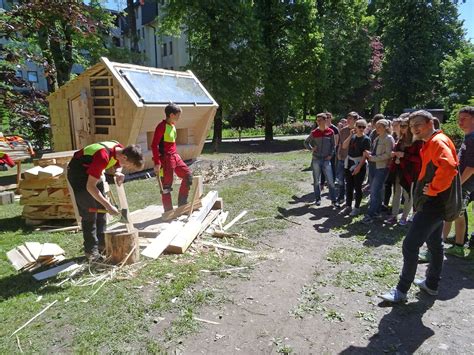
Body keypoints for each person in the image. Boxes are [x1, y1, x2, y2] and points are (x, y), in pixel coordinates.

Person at [380, 110, 458, 303]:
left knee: (410, 245)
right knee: (435, 245)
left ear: (431, 123)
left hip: (433, 204)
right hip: (436, 204)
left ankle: (401, 291)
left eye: (418, 124)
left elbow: (448, 167)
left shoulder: (437, 142)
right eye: (412, 125)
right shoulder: (433, 141)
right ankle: (432, 284)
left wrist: (433, 188)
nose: (414, 128)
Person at [67, 141, 144, 260]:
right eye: (129, 165)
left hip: (93, 172)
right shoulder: (102, 156)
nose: (127, 168)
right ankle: (91, 251)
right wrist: (109, 205)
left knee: (101, 207)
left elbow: (119, 163)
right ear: (125, 157)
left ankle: (102, 244)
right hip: (79, 174)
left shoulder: (120, 149)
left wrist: (118, 172)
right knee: (89, 212)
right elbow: (90, 187)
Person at [443, 106, 474, 257]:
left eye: (464, 119)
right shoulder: (468, 136)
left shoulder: (473, 138)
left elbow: (471, 167)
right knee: (458, 214)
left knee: (453, 213)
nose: (460, 122)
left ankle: (449, 245)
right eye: (459, 119)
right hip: (461, 182)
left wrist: (457, 184)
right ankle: (458, 244)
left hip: (464, 183)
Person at [151, 103, 193, 212]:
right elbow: (154, 145)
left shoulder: (173, 125)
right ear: (171, 115)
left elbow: (172, 144)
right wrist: (156, 162)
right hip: (165, 159)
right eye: (178, 115)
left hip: (175, 156)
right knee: (166, 186)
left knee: (188, 176)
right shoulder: (161, 126)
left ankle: (182, 204)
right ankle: (168, 211)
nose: (179, 117)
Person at [385, 115, 423, 225]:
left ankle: (404, 217)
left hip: (410, 172)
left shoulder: (417, 141)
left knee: (408, 195)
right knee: (396, 193)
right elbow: (396, 151)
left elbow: (419, 159)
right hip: (398, 170)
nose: (402, 128)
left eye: (404, 126)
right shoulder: (400, 139)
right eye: (401, 126)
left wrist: (404, 155)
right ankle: (394, 216)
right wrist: (394, 154)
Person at [362, 119, 395, 224]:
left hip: (381, 167)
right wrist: (369, 154)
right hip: (373, 166)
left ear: (385, 127)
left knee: (375, 191)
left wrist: (372, 157)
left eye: (379, 127)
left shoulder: (388, 139)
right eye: (376, 126)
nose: (377, 129)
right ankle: (376, 212)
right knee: (375, 190)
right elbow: (375, 152)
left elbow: (388, 155)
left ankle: (371, 214)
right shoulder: (377, 138)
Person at [304, 112, 337, 206]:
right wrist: (311, 148)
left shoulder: (330, 132)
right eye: (317, 120)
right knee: (316, 181)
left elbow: (333, 146)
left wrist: (331, 155)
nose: (318, 122)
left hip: (326, 160)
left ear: (325, 120)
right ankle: (318, 199)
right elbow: (306, 142)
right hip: (316, 159)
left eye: (320, 120)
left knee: (330, 181)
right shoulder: (314, 132)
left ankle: (333, 201)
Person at [340, 118, 371, 216]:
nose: (361, 128)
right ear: (355, 127)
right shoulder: (352, 137)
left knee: (358, 187)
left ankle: (356, 207)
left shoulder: (366, 139)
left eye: (363, 127)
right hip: (349, 163)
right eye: (359, 126)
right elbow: (344, 146)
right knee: (349, 186)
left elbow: (365, 155)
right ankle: (348, 206)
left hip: (359, 165)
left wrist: (358, 167)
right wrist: (350, 135)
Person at [336, 112, 358, 206]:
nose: (348, 120)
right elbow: (340, 144)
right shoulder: (343, 130)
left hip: (353, 159)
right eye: (347, 118)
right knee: (340, 179)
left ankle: (349, 197)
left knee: (350, 180)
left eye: (350, 119)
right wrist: (338, 154)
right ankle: (341, 196)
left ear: (355, 120)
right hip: (342, 157)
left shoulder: (359, 130)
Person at [320, 112, 339, 192]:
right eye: (325, 117)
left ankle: (332, 183)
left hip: (331, 152)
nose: (326, 119)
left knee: (332, 167)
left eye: (328, 117)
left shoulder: (334, 129)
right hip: (322, 152)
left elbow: (336, 142)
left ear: (331, 118)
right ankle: (322, 184)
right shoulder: (321, 128)